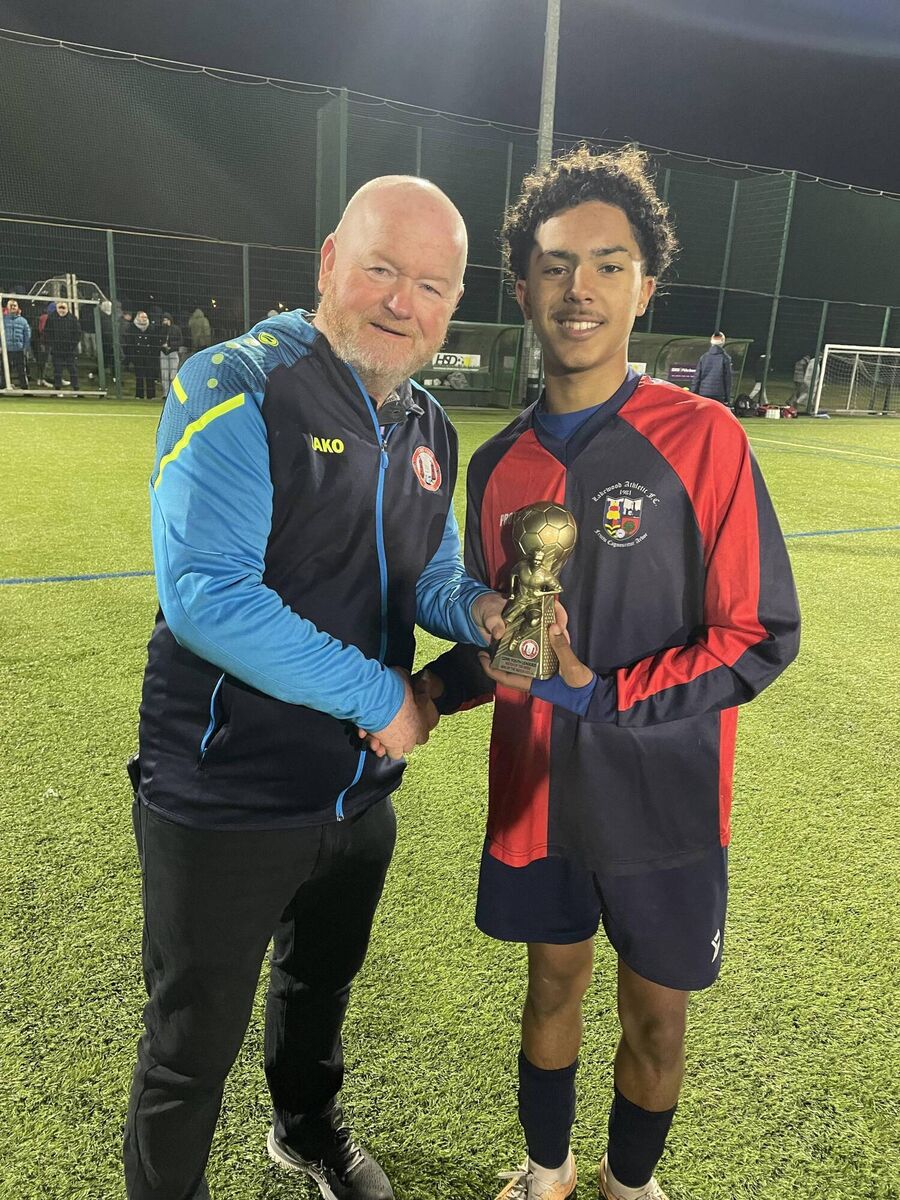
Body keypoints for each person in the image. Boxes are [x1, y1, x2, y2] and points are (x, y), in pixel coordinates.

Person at [409, 146, 800, 1200]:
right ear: (525, 286)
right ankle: (548, 1169)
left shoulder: (705, 437)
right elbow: (514, 637)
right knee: (547, 988)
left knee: (657, 1015)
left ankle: (633, 1186)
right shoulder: (496, 467)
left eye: (608, 264)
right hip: (537, 795)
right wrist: (440, 689)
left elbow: (760, 632)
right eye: (555, 264)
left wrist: (603, 694)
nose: (579, 288)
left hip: (665, 797)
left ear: (645, 287)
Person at [125, 174, 506, 1200]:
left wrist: (478, 614)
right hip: (222, 791)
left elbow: (419, 573)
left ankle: (304, 1130)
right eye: (382, 268)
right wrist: (381, 697)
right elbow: (207, 596)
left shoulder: (431, 427)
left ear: (453, 304)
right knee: (188, 1043)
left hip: (353, 793)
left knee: (318, 983)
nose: (402, 301)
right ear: (330, 261)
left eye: (431, 284)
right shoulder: (236, 383)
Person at [44, 299, 81, 392]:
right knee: (57, 369)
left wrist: (72, 345)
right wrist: (53, 344)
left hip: (70, 350)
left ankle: (76, 389)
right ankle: (58, 389)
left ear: (67, 308)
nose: (61, 310)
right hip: (57, 349)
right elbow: (47, 332)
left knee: (72, 369)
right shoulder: (51, 318)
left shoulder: (73, 318)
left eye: (63, 308)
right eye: (59, 308)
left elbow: (77, 334)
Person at [691, 331, 733, 406]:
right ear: (722, 342)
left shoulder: (704, 357)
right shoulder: (725, 358)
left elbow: (697, 378)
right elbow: (727, 380)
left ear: (711, 342)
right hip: (718, 394)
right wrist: (727, 398)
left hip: (703, 393)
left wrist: (693, 393)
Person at [132, 311, 162, 399]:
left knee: (150, 376)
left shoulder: (152, 328)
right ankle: (139, 395)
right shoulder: (132, 328)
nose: (144, 319)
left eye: (145, 317)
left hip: (149, 356)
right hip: (138, 356)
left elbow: (155, 343)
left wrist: (154, 354)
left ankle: (151, 395)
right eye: (142, 317)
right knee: (139, 376)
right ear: (137, 318)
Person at [2, 298, 31, 387]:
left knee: (22, 370)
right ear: (7, 307)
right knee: (4, 370)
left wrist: (25, 348)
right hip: (6, 349)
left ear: (18, 307)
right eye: (11, 305)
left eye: (14, 305)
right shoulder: (2, 320)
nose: (13, 307)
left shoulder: (23, 321)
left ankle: (25, 388)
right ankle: (2, 387)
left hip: (19, 349)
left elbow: (27, 335)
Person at [158, 313, 182, 396]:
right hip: (163, 352)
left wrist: (170, 345)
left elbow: (180, 341)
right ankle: (165, 394)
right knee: (164, 374)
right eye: (164, 320)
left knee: (173, 374)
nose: (165, 321)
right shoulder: (161, 329)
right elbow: (158, 339)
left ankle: (173, 394)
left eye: (167, 320)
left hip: (173, 352)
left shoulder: (176, 329)